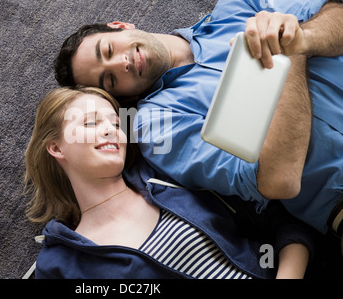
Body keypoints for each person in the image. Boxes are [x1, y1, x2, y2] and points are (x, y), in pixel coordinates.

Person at [53, 0, 343, 250]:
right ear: (122, 97)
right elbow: (279, 180)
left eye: (108, 49)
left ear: (119, 25)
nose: (121, 63)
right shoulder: (155, 127)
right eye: (110, 80)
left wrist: (304, 37)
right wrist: (291, 55)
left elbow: (337, 15)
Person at [25, 86, 314, 279]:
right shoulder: (58, 264)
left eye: (115, 123)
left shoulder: (169, 174)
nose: (110, 131)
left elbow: (283, 221)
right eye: (90, 123)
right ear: (56, 148)